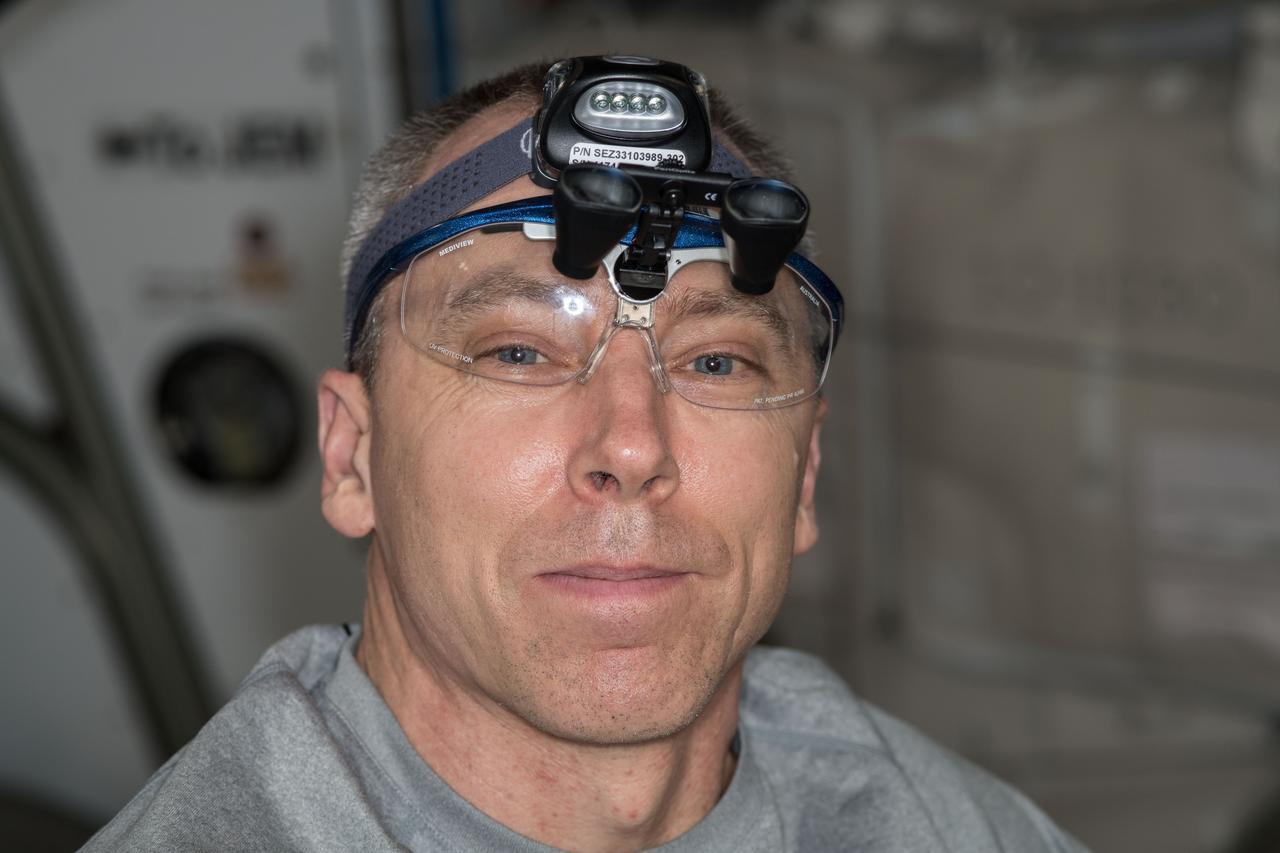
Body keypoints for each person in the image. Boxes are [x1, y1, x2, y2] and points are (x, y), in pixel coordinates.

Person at [85, 57, 1086, 852]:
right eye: (518, 351)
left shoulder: (942, 827)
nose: (631, 445)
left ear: (805, 476)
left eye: (718, 360)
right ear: (351, 455)